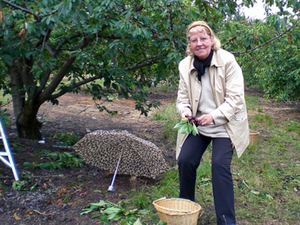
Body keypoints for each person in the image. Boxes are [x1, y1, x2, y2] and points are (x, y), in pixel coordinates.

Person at [176, 21, 250, 225]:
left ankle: (226, 221)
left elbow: (236, 98)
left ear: (211, 39)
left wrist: (214, 116)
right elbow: (182, 97)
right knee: (185, 160)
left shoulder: (227, 60)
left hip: (225, 123)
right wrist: (185, 111)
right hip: (199, 123)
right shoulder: (185, 65)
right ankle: (186, 211)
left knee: (219, 165)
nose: (199, 43)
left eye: (203, 38)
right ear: (189, 44)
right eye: (194, 40)